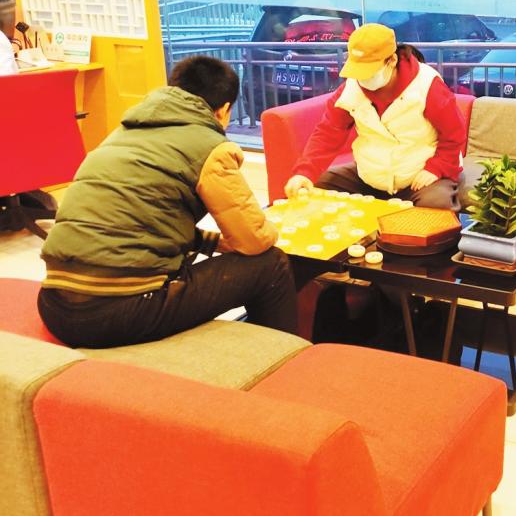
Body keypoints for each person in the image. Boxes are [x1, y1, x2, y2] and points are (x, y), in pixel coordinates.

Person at [38, 55, 298, 348]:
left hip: (55, 306)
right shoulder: (210, 146)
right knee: (271, 264)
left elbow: (142, 221)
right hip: (118, 312)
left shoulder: (121, 135)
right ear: (224, 110)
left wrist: (213, 242)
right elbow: (255, 241)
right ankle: (284, 358)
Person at [284, 22, 466, 209]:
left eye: (369, 71)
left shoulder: (427, 84)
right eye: (358, 70)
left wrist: (436, 168)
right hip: (371, 176)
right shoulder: (350, 89)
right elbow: (328, 132)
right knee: (315, 186)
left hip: (418, 176)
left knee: (436, 204)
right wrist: (304, 173)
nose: (362, 78)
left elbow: (454, 133)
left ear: (392, 60)